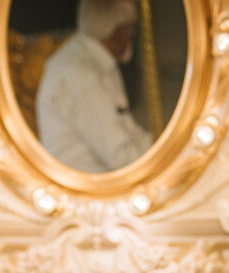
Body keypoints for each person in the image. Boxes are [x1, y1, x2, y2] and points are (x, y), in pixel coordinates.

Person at [35, 0, 153, 173]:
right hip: (87, 189)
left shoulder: (95, 59)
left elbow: (128, 130)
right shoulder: (82, 78)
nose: (132, 36)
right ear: (117, 31)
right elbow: (120, 157)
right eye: (131, 28)